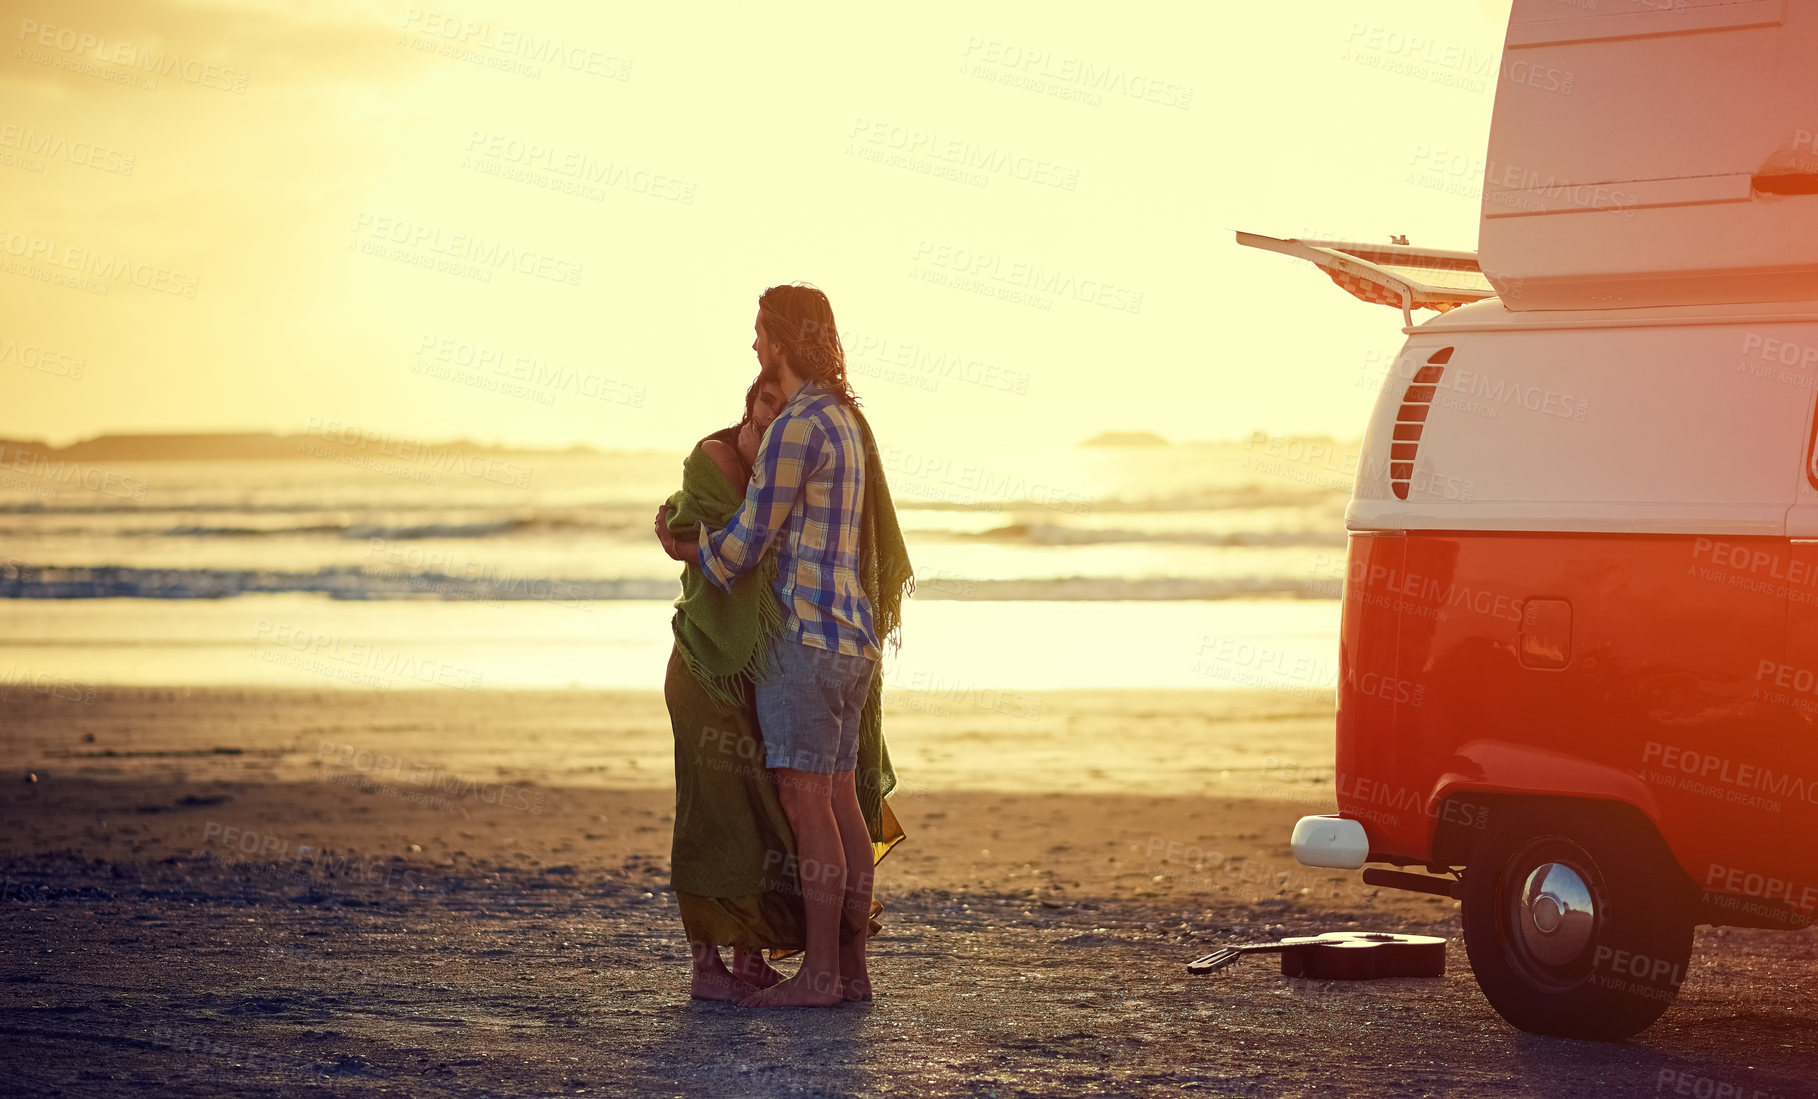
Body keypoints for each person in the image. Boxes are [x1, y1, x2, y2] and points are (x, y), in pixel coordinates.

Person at [654, 282, 912, 1008]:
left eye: (762, 331)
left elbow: (743, 547)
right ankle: (852, 972)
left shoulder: (798, 425)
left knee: (809, 807)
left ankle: (824, 974)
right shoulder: (848, 420)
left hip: (802, 640)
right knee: (840, 807)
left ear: (784, 337)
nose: (756, 344)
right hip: (851, 639)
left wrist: (687, 543)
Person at [661, 375, 799, 1001]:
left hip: (755, 667)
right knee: (708, 812)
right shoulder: (712, 457)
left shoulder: (783, 474)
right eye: (763, 410)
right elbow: (732, 550)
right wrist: (682, 543)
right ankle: (703, 966)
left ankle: (746, 957)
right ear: (745, 413)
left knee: (756, 813)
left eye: (782, 413)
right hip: (704, 663)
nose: (771, 425)